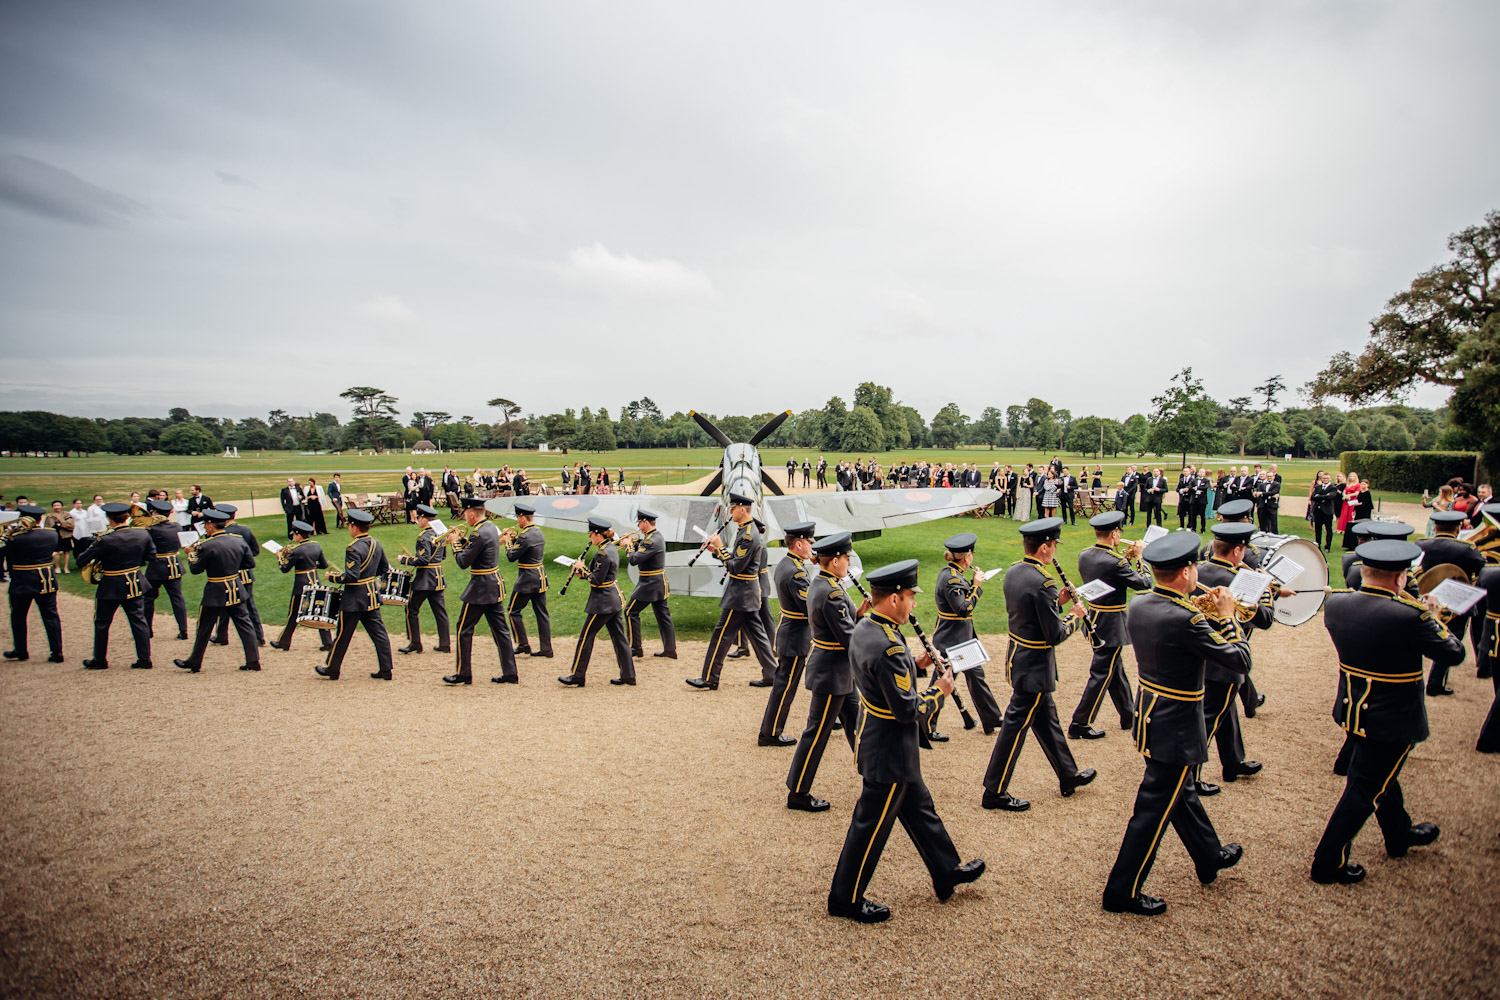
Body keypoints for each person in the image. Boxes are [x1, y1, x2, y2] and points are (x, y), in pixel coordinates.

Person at [1101, 531, 1250, 916]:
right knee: (1152, 809)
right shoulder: (1187, 618)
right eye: (1194, 566)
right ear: (1186, 572)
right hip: (1178, 725)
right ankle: (1122, 890)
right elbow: (1239, 660)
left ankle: (1209, 854)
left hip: (1151, 712)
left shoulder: (1142, 603)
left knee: (1179, 793)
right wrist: (1229, 617)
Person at [827, 559, 984, 923]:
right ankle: (844, 897)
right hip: (889, 749)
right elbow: (906, 709)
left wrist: (919, 663)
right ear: (895, 598)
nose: (914, 604)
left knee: (921, 808)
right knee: (869, 826)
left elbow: (881, 673)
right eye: (911, 597)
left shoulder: (867, 627)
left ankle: (946, 870)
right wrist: (941, 691)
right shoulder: (887, 644)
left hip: (885, 742)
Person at [1311, 539, 1463, 885]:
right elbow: (1453, 653)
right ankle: (1327, 861)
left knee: (1380, 776)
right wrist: (1435, 617)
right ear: (1400, 578)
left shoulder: (1336, 604)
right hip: (1392, 717)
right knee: (1364, 788)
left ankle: (1399, 833)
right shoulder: (1412, 617)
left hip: (1354, 707)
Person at [981, 518, 1095, 812]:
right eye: (1054, 545)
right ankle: (994, 790)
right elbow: (1054, 634)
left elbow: (1032, 613)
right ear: (1044, 547)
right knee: (1014, 729)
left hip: (1020, 657)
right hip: (1034, 665)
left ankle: (1067, 775)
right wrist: (1075, 615)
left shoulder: (1015, 572)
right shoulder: (1044, 581)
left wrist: (1057, 602)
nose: (1055, 550)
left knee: (1047, 721)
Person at [785, 531, 865, 811]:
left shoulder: (826, 582)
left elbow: (842, 623)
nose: (847, 562)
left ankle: (875, 780)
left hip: (837, 671)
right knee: (816, 734)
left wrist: (861, 614)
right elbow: (848, 638)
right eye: (845, 558)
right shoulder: (830, 591)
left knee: (858, 727)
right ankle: (797, 792)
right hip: (832, 672)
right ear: (834, 561)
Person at [1191, 523, 1272, 796]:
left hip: (1199, 654)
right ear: (1237, 550)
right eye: (1244, 548)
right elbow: (1264, 620)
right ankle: (1190, 777)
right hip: (1224, 659)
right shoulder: (1237, 579)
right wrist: (1268, 593)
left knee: (1226, 713)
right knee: (1208, 720)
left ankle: (1233, 761)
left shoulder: (1198, 571)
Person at [1068, 512, 1148, 740]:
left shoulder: (1086, 555)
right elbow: (1144, 583)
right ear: (1114, 534)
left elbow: (1112, 576)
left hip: (1094, 618)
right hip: (1111, 624)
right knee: (1102, 672)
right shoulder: (1116, 561)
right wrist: (1140, 558)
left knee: (1115, 670)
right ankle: (1080, 722)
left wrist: (1126, 563)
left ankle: (1127, 715)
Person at [688, 493, 778, 690]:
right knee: (758, 636)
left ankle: (710, 678)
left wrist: (720, 547)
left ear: (742, 509)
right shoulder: (745, 530)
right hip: (746, 593)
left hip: (740, 595)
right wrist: (716, 551)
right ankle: (772, 673)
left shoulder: (747, 535)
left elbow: (736, 566)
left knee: (720, 636)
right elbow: (737, 560)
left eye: (732, 508)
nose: (730, 512)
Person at [930, 532, 1003, 735]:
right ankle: (926, 724)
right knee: (942, 682)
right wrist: (977, 586)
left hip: (962, 639)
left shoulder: (953, 573)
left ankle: (991, 719)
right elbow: (964, 609)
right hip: (951, 640)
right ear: (967, 557)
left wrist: (972, 583)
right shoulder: (952, 579)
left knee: (976, 677)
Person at [173, 508, 260, 673]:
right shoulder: (238, 541)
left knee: (204, 627)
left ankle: (195, 660)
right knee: (244, 625)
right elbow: (250, 564)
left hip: (216, 589)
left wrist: (191, 555)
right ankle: (253, 660)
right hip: (235, 586)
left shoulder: (207, 546)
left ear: (210, 525)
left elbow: (196, 569)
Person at [444, 497, 518, 685]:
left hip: (480, 588)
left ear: (471, 514)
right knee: (501, 631)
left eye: (465, 515)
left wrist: (454, 542)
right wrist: (463, 541)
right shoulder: (491, 528)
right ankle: (510, 672)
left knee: (463, 628)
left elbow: (463, 562)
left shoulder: (478, 534)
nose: (464, 518)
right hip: (494, 585)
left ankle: (463, 673)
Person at [316, 508, 395, 681]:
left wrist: (333, 577)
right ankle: (386, 668)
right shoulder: (376, 544)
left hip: (354, 598)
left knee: (343, 635)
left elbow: (352, 577)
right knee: (379, 634)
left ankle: (333, 668)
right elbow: (384, 569)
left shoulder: (353, 548)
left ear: (353, 527)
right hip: (371, 596)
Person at [75, 502, 155, 670]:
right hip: (134, 581)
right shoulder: (143, 535)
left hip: (111, 585)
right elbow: (150, 556)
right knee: (138, 621)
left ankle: (100, 659)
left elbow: (81, 560)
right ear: (127, 517)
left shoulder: (104, 539)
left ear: (109, 519)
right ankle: (144, 658)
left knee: (102, 622)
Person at [758, 521, 817, 747]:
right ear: (799, 543)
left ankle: (832, 717)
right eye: (809, 543)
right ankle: (770, 732)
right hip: (795, 636)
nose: (812, 547)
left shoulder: (787, 563)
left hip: (789, 631)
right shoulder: (796, 573)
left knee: (786, 683)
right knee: (785, 687)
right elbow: (809, 607)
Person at [558, 517, 635, 687]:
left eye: (591, 534)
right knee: (619, 638)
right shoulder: (609, 547)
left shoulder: (603, 553)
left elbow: (596, 580)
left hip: (603, 603)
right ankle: (628, 675)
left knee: (586, 637)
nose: (590, 537)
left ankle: (577, 675)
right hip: (613, 600)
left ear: (598, 534)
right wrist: (583, 571)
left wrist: (582, 569)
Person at [1417, 510, 1487, 693]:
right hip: (1456, 598)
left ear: (1436, 527)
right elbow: (1482, 571)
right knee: (1451, 637)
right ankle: (1435, 682)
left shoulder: (1422, 544)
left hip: (1427, 594)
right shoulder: (1466, 548)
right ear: (1458, 529)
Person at [2, 504, 63, 663]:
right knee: (51, 616)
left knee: (19, 616)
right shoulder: (51, 535)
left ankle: (21, 650)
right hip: (45, 579)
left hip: (22, 580)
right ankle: (57, 651)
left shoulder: (15, 538)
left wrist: (7, 533)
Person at [268, 520, 333, 652]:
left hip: (301, 587)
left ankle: (284, 642)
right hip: (315, 583)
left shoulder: (296, 550)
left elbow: (284, 568)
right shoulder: (316, 546)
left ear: (298, 535)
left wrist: (279, 557)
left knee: (293, 615)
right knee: (319, 613)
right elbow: (324, 565)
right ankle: (328, 642)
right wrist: (311, 565)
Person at [395, 504, 450, 656]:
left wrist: (405, 560)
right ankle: (445, 643)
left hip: (425, 579)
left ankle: (415, 642)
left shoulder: (423, 537)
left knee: (411, 609)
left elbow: (423, 560)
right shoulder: (439, 533)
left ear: (424, 519)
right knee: (440, 612)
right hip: (438, 576)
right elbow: (443, 555)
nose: (417, 521)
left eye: (419, 518)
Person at [622, 507, 674, 661]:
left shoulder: (652, 540)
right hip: (656, 582)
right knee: (663, 616)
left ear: (645, 522)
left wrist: (628, 546)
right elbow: (643, 550)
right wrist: (634, 542)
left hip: (649, 584)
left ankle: (635, 647)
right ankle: (670, 650)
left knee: (630, 612)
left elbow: (634, 560)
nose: (638, 526)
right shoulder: (654, 536)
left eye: (639, 522)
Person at [210, 505, 264, 648]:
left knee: (224, 604)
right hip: (245, 573)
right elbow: (255, 550)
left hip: (227, 574)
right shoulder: (245, 530)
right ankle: (258, 636)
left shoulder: (220, 533)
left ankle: (222, 635)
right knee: (249, 605)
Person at [504, 502, 553, 659]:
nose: (517, 521)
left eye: (518, 518)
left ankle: (523, 643)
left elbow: (512, 556)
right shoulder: (538, 532)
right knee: (541, 613)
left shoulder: (524, 536)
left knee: (513, 610)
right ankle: (546, 647)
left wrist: (507, 542)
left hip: (527, 579)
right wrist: (514, 540)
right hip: (540, 577)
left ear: (522, 518)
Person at [140, 498, 189, 641]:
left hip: (156, 566)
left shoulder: (150, 529)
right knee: (177, 598)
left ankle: (147, 630)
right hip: (174, 564)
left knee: (148, 599)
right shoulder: (177, 527)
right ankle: (183, 629)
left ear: (155, 512)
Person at [1310, 470, 1338, 552]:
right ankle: (1317, 544)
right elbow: (1313, 497)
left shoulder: (1333, 488)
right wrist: (1323, 497)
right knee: (1317, 529)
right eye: (1324, 478)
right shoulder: (1318, 487)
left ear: (1330, 479)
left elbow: (1330, 497)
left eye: (1327, 478)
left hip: (1327, 511)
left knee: (1328, 529)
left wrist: (1319, 496)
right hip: (1318, 511)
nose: (1325, 479)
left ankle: (1327, 546)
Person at [43, 500, 73, 575]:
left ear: (61, 506)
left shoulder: (66, 514)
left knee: (67, 552)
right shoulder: (50, 516)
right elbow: (47, 527)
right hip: (56, 535)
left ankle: (66, 567)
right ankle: (57, 567)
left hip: (66, 534)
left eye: (58, 505)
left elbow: (70, 525)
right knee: (59, 552)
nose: (57, 507)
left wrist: (59, 520)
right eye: (55, 506)